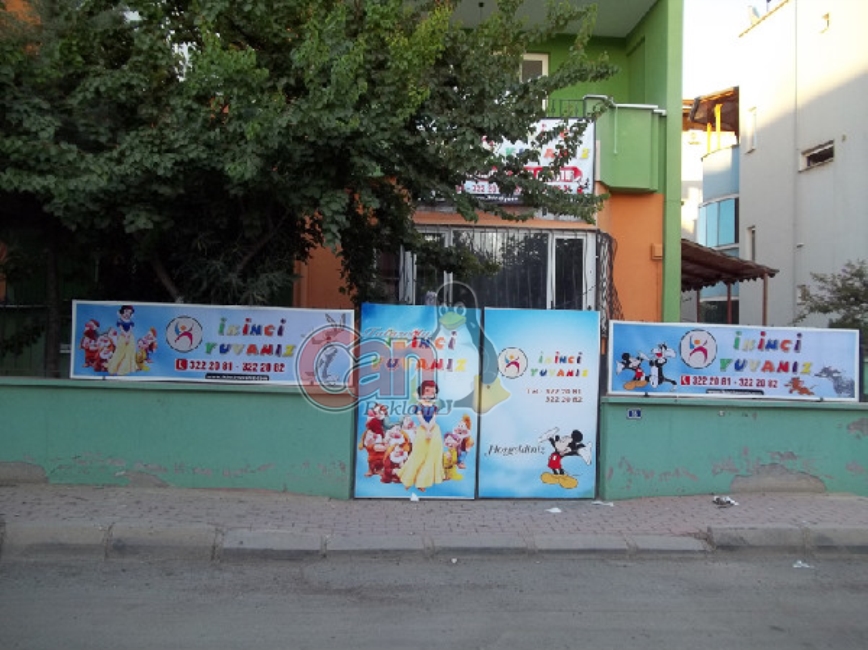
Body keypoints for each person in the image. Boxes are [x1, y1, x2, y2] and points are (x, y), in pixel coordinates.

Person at [397, 379, 445, 492]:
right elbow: (420, 418)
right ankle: (408, 480)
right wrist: (427, 429)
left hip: (434, 431)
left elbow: (433, 419)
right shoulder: (419, 406)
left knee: (432, 456)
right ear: (422, 391)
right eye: (427, 391)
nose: (429, 394)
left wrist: (430, 429)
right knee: (418, 455)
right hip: (423, 431)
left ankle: (422, 482)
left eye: (432, 392)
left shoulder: (434, 406)